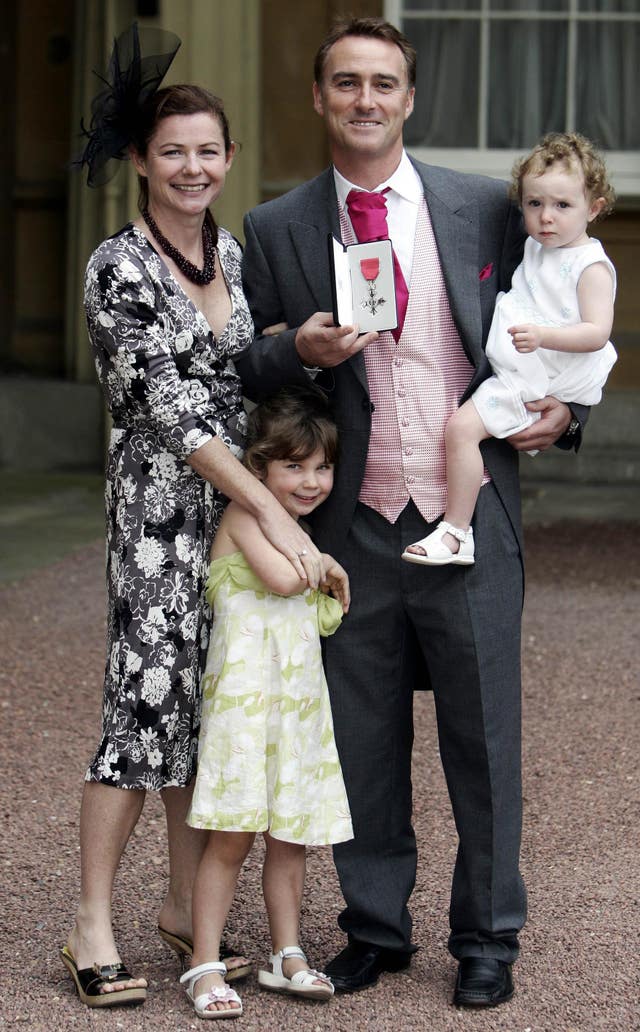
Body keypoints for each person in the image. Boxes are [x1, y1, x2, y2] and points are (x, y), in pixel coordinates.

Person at [236, 16, 587, 1008]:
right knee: (361, 736)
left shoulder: (483, 209)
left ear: (408, 97)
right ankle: (376, 927)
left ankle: (486, 936)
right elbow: (250, 368)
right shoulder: (277, 227)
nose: (364, 100)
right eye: (344, 82)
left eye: (382, 83)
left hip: (468, 516)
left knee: (482, 739)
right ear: (319, 97)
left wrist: (567, 409)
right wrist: (294, 350)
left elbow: (557, 311)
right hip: (351, 524)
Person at [61, 25, 323, 1010]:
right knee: (142, 712)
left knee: (210, 715)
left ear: (228, 158)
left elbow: (254, 378)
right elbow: (170, 411)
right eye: (172, 150)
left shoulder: (238, 255)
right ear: (139, 159)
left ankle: (182, 910)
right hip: (160, 517)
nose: (191, 166)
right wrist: (268, 504)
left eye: (207, 150)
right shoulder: (117, 268)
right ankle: (90, 922)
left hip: (235, 519)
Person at [178, 385, 352, 1019]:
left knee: (292, 837)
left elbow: (324, 614)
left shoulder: (296, 534)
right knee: (233, 836)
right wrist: (325, 561)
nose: (311, 482)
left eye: (322, 467)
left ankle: (289, 953)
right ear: (258, 470)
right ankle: (204, 962)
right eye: (294, 466)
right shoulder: (245, 517)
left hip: (297, 712)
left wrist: (320, 565)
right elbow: (286, 581)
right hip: (246, 712)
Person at [403, 132, 616, 566]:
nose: (546, 217)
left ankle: (456, 533)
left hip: (538, 371)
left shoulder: (590, 266)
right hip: (522, 361)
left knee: (462, 430)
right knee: (463, 431)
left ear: (593, 209)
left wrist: (542, 336)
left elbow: (597, 332)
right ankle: (456, 531)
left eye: (562, 205)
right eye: (534, 204)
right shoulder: (536, 246)